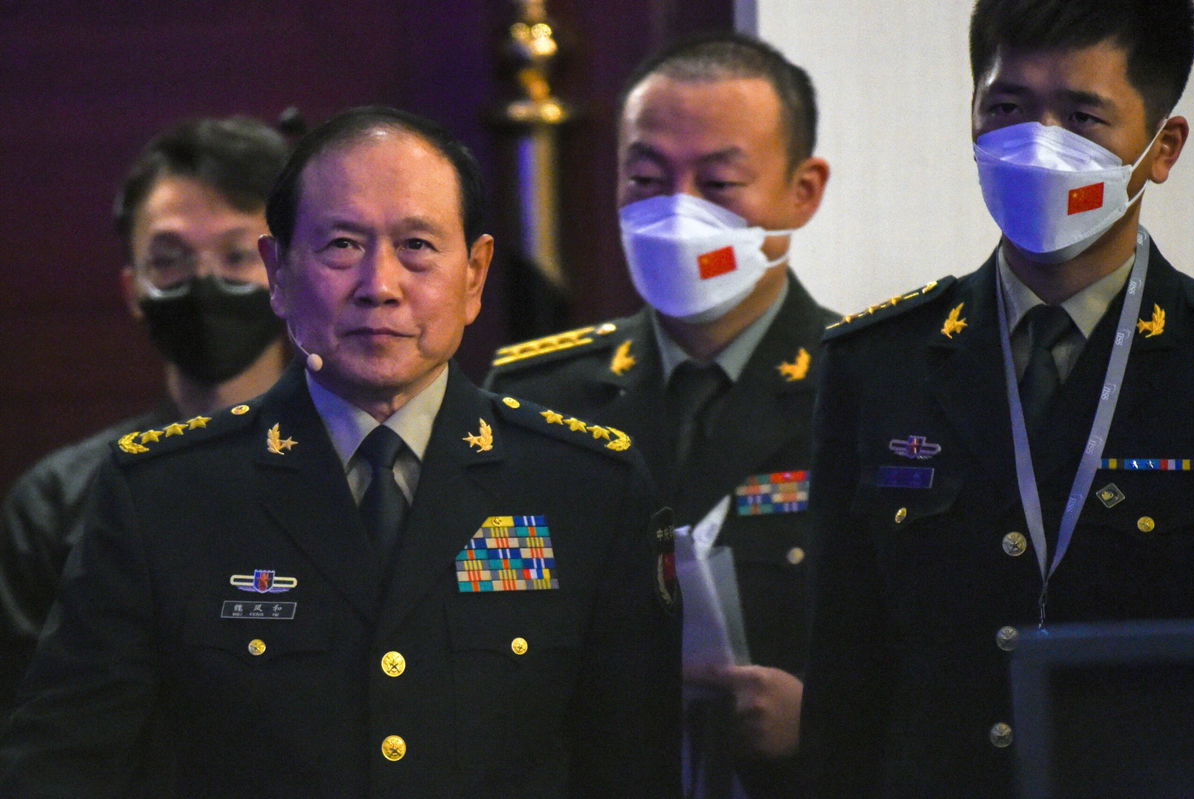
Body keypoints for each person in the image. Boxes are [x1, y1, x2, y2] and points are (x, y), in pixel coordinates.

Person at [0, 106, 681, 797]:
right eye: (342, 246)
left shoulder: (584, 485)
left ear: (474, 275)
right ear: (279, 270)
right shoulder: (162, 494)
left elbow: (630, 764)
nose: (379, 284)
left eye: (417, 245)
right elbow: (63, 763)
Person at [802, 1, 1194, 795]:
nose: (1036, 147)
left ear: (1162, 149)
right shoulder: (877, 364)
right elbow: (846, 674)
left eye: (1083, 117)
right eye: (1007, 109)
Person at [486, 32, 834, 798]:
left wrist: (829, 718)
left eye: (718, 182)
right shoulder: (534, 396)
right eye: (646, 178)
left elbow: (955, 652)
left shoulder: (874, 389)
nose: (678, 213)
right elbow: (484, 624)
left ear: (802, 190)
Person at [0, 116, 290, 713]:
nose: (204, 284)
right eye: (170, 260)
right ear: (133, 290)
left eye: (238, 256)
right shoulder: (57, 503)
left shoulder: (366, 467)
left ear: (287, 274)